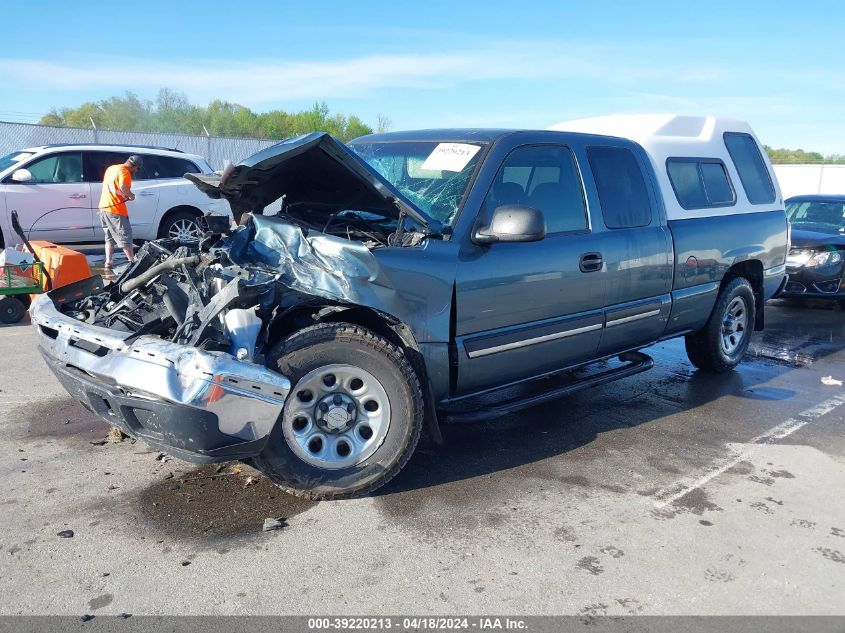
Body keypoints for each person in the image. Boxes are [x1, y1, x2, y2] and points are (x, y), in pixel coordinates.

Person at [98, 155, 142, 268]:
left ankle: (108, 261)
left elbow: (114, 187)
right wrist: (131, 196)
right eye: (138, 169)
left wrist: (123, 195)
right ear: (134, 166)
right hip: (115, 210)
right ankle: (132, 261)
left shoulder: (112, 168)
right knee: (125, 236)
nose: (137, 171)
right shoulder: (125, 172)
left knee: (109, 237)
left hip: (103, 208)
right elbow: (122, 186)